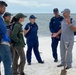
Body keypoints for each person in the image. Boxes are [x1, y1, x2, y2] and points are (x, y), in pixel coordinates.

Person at [0, 1, 12, 75]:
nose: (4, 10)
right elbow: (3, 29)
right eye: (3, 8)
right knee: (7, 61)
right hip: (2, 42)